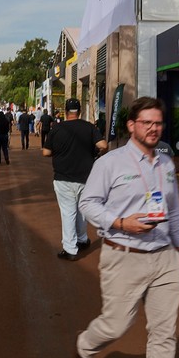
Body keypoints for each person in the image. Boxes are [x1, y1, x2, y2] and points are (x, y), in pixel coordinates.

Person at [74, 96, 179, 358]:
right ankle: (84, 348)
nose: (154, 129)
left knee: (165, 331)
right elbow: (88, 204)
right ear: (131, 126)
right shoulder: (109, 163)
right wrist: (122, 223)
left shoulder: (166, 164)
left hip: (164, 256)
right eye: (147, 123)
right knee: (116, 324)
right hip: (124, 254)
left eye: (158, 123)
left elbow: (175, 210)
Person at [42, 98, 107, 260]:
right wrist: (97, 156)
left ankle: (70, 248)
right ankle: (82, 239)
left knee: (68, 212)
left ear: (65, 111)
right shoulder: (89, 127)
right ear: (80, 112)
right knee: (81, 210)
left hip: (63, 177)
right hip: (86, 177)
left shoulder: (57, 128)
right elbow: (103, 145)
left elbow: (46, 152)